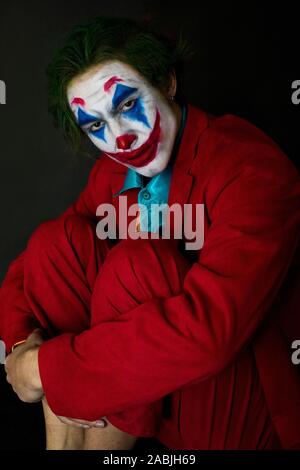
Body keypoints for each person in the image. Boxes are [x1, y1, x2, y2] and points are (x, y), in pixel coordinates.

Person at [1, 17, 300, 450]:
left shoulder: (250, 168)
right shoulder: (112, 173)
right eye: (96, 126)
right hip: (161, 404)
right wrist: (21, 345)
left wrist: (44, 370)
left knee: (136, 266)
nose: (120, 139)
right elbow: (29, 265)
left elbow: (210, 331)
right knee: (57, 244)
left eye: (126, 105)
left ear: (167, 83)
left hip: (240, 410)